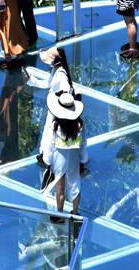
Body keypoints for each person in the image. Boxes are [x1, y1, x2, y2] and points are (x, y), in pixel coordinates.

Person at [39, 91, 88, 219]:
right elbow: (83, 145)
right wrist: (83, 159)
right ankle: (75, 213)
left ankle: (60, 215)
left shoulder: (54, 125)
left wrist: (48, 162)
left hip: (59, 158)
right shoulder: (80, 125)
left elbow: (50, 146)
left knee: (60, 189)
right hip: (74, 158)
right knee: (75, 185)